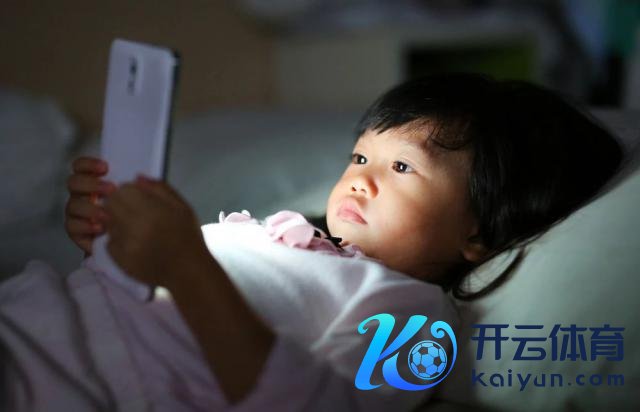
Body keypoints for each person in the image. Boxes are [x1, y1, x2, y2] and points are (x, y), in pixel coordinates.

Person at [2, 73, 623, 411]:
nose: (360, 178)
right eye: (360, 156)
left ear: (479, 231)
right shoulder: (275, 233)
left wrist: (188, 268)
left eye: (401, 167)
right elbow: (132, 309)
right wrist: (107, 248)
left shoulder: (416, 325)